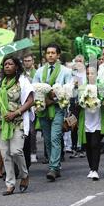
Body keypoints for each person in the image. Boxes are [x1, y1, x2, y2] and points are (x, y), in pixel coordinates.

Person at [0, 56, 34, 195]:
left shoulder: (23, 81)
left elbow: (30, 101)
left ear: (16, 66)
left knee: (16, 151)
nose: (7, 66)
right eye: (5, 64)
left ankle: (24, 174)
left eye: (10, 64)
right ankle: (10, 184)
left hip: (17, 122)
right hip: (2, 123)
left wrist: (15, 113)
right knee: (5, 154)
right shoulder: (0, 82)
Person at [33, 44, 72, 181]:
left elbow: (69, 90)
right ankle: (54, 164)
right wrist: (43, 101)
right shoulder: (39, 71)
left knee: (55, 137)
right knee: (48, 139)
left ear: (58, 55)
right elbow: (34, 89)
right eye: (48, 53)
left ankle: (53, 167)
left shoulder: (66, 71)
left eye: (53, 53)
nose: (50, 55)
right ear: (45, 55)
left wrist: (54, 98)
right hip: (42, 109)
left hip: (58, 108)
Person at [77, 66, 104, 180]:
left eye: (93, 73)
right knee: (88, 145)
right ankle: (91, 168)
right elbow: (78, 102)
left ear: (97, 74)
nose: (90, 75)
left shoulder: (101, 86)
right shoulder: (82, 87)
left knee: (95, 144)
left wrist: (102, 100)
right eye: (88, 73)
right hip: (85, 120)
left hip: (98, 120)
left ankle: (95, 169)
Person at [22, 53, 38, 163]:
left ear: (33, 61)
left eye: (29, 60)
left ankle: (33, 152)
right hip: (23, 103)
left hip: (35, 104)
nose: (27, 62)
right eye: (25, 61)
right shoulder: (20, 74)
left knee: (32, 131)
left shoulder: (37, 73)